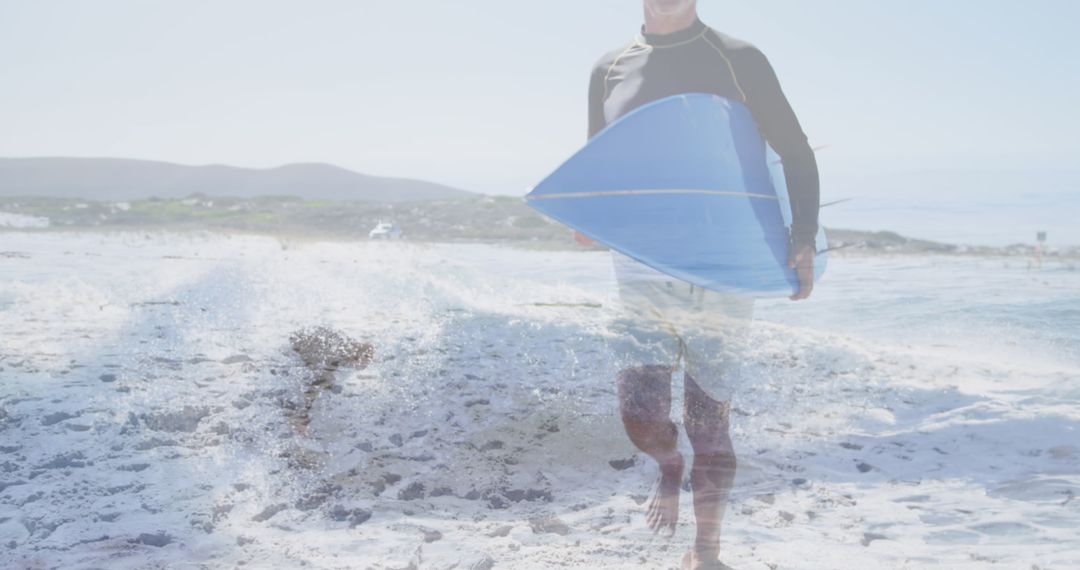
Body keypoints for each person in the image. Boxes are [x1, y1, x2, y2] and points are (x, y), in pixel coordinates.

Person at [586, 1, 820, 568]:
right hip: (641, 268)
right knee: (641, 420)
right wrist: (587, 215)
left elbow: (794, 151)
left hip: (721, 267)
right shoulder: (609, 68)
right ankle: (669, 466)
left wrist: (803, 237)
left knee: (708, 424)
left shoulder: (739, 58)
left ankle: (706, 551)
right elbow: (598, 159)